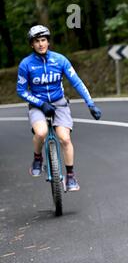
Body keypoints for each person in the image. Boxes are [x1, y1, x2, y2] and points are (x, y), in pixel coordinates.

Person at [16, 25, 102, 191]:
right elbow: (21, 90)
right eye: (36, 41)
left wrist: (90, 103)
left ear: (48, 42)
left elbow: (76, 81)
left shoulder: (60, 60)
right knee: (41, 132)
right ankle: (37, 157)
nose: (41, 44)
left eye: (43, 40)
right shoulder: (25, 64)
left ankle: (70, 176)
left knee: (65, 138)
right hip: (38, 104)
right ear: (31, 44)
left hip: (59, 103)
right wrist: (40, 104)